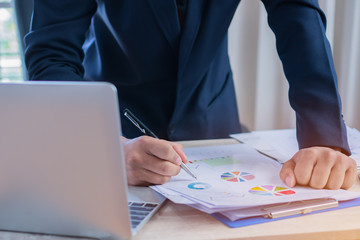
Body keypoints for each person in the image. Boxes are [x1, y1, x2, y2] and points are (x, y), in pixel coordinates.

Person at [25, 0, 357, 189]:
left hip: (212, 115)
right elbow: (51, 55)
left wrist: (323, 139)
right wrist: (103, 149)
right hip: (115, 119)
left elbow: (298, 20)